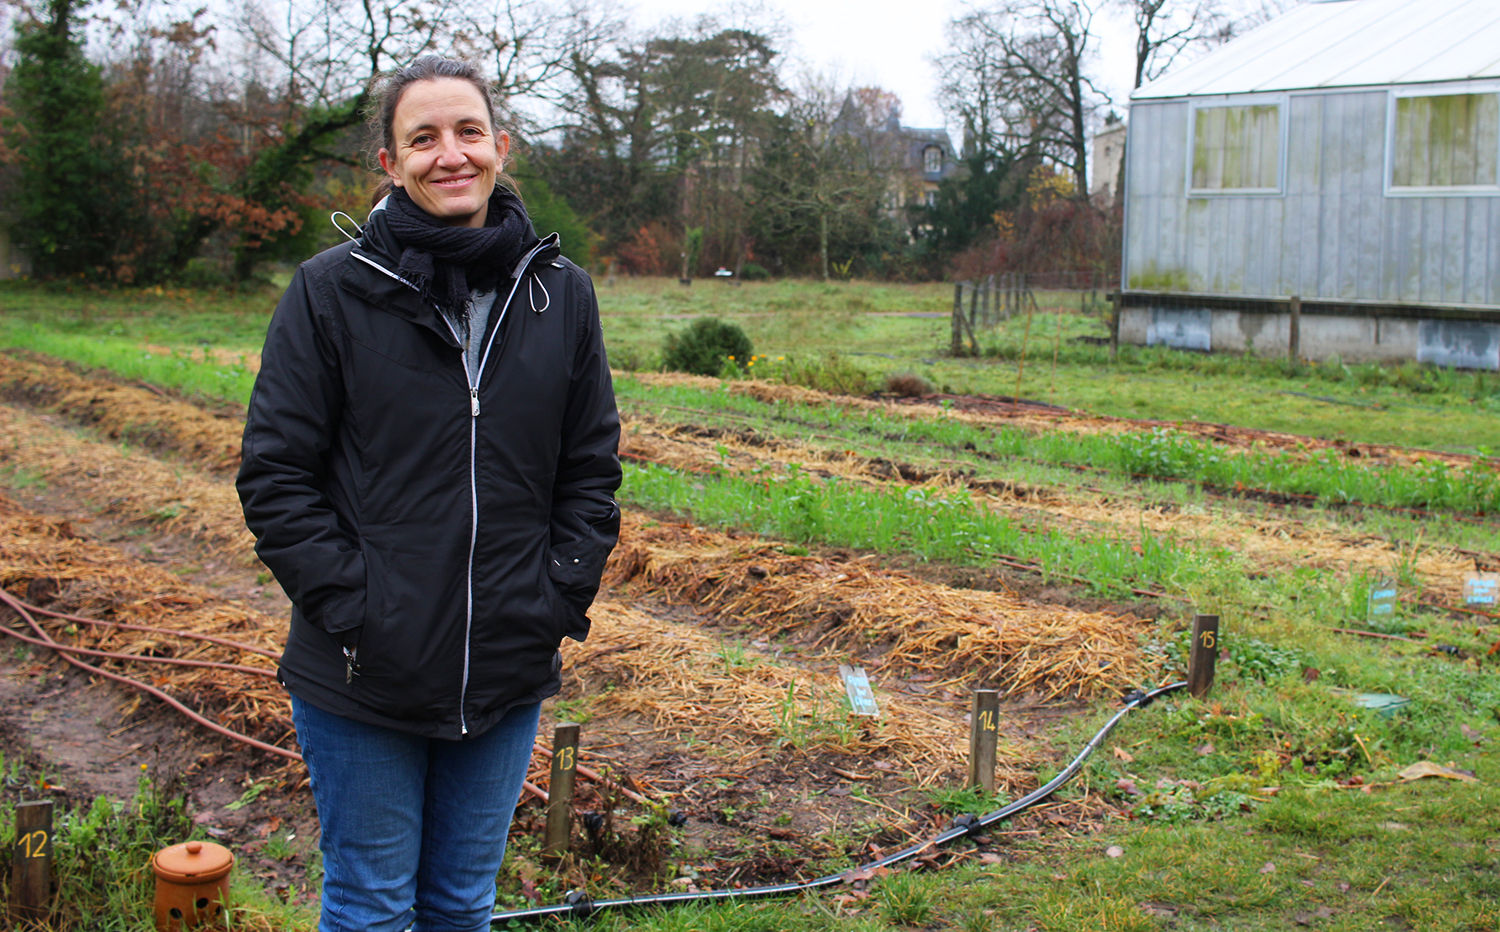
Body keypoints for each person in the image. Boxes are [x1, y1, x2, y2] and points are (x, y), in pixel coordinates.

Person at [237, 55, 621, 932]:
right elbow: (276, 474)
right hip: (362, 673)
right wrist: (357, 609)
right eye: (423, 138)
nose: (450, 154)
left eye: (467, 132)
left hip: (506, 663)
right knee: (372, 907)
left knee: (460, 903)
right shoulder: (331, 293)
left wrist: (552, 595)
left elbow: (590, 466)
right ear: (390, 163)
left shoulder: (559, 295)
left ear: (500, 147)